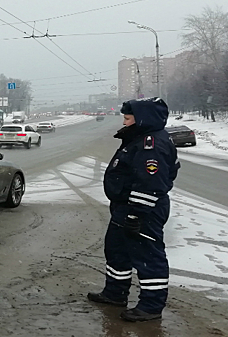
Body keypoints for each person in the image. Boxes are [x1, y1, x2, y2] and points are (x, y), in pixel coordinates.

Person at [88, 97, 180, 322]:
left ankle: (151, 306)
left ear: (142, 119)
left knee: (148, 257)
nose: (124, 121)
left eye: (128, 118)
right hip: (125, 208)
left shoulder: (151, 144)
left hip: (142, 210)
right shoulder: (138, 139)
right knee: (117, 251)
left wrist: (136, 214)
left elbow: (151, 184)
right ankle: (115, 293)